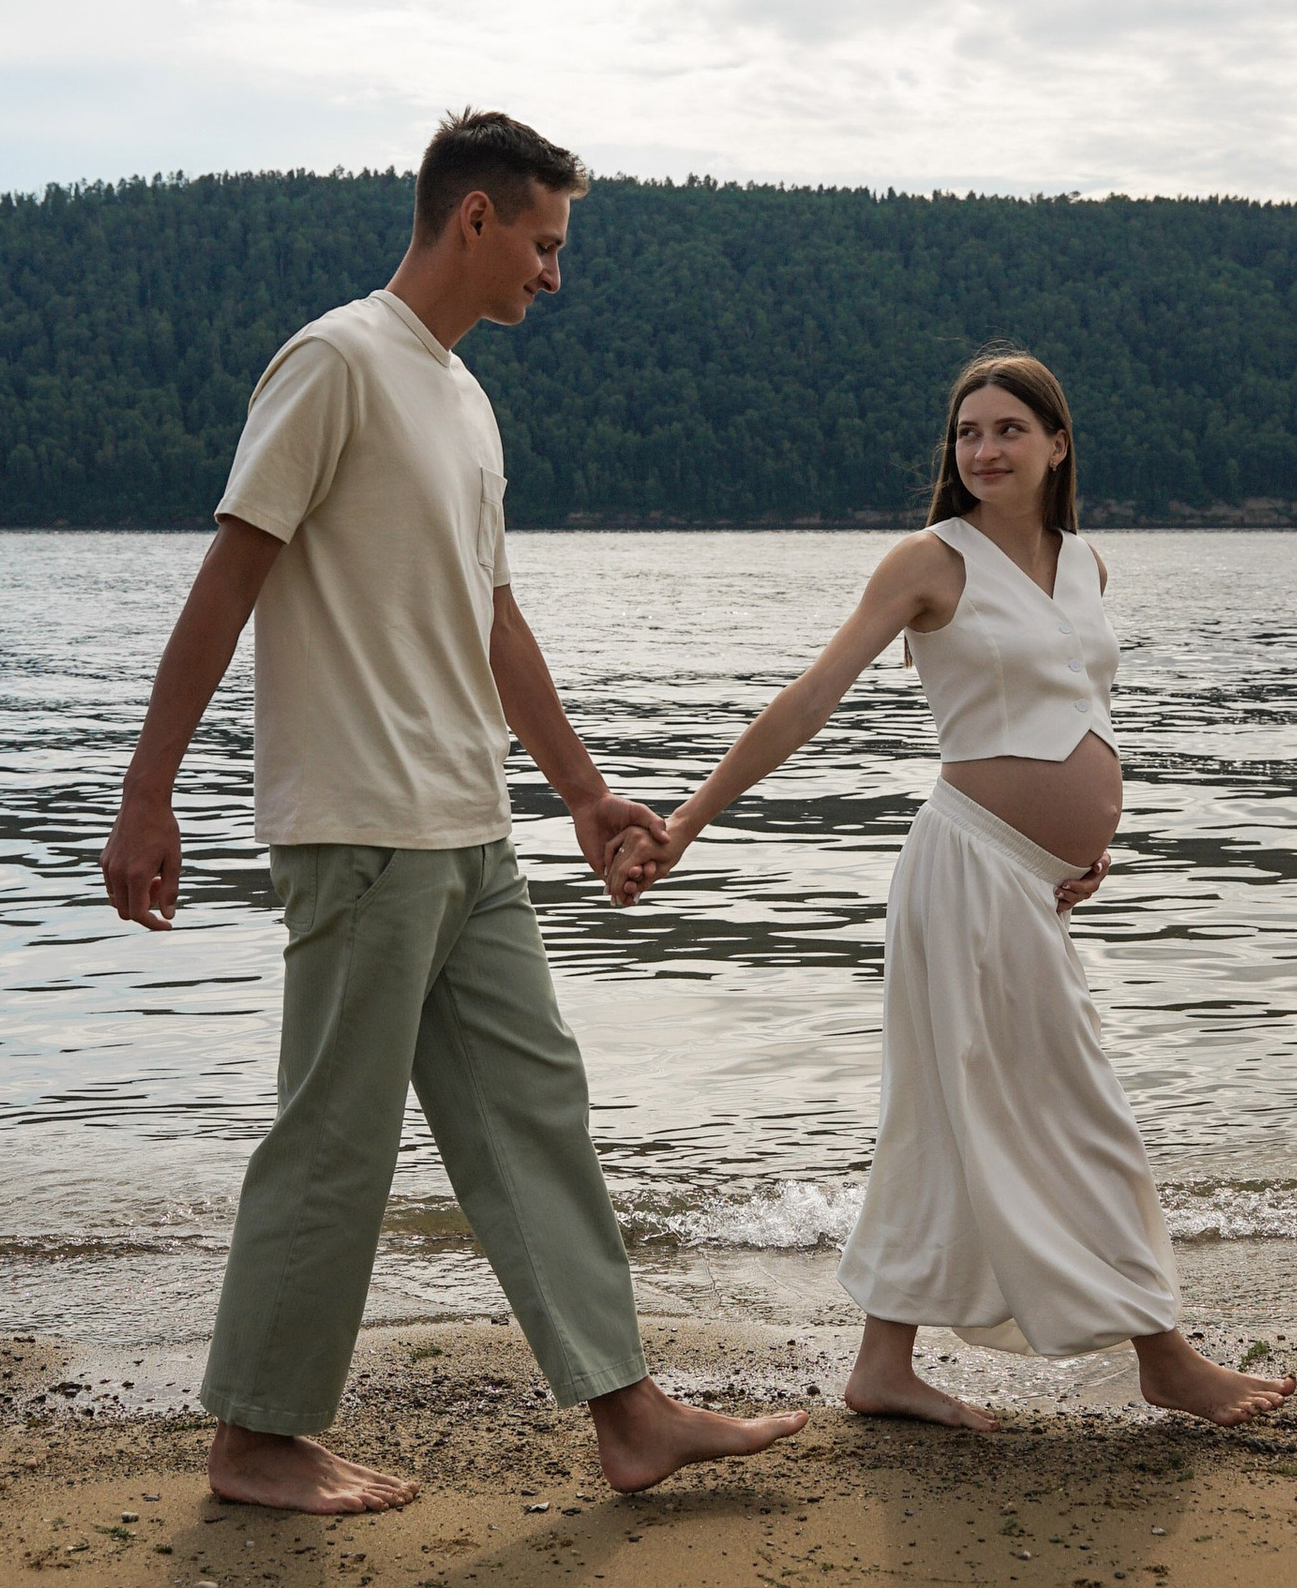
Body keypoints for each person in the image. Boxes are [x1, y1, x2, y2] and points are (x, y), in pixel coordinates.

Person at [103, 108, 808, 1515]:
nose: (556, 274)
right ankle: (255, 1438)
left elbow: (495, 627)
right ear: (474, 220)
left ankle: (628, 1411)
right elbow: (229, 579)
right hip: (359, 826)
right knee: (337, 1135)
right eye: (545, 245)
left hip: (467, 828)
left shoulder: (467, 399)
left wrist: (587, 792)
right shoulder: (338, 362)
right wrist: (147, 789)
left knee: (534, 1105)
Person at [608, 352, 1294, 1432]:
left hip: (1029, 878)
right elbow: (807, 701)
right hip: (965, 866)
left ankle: (882, 1366)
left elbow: (1080, 707)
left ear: (1056, 444)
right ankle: (1164, 1357)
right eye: (967, 431)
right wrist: (688, 823)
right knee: (1081, 1109)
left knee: (938, 1118)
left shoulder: (1084, 564)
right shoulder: (930, 563)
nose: (983, 448)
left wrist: (1084, 840)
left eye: (1008, 429)